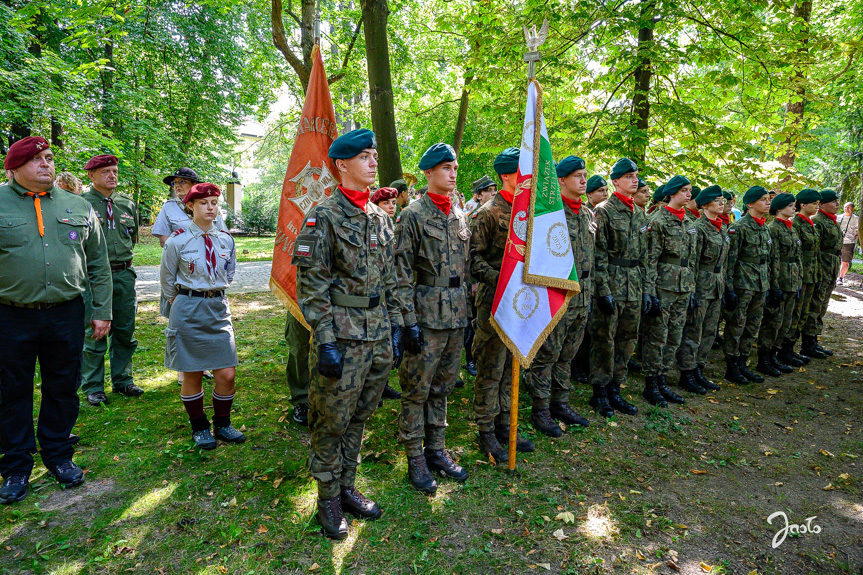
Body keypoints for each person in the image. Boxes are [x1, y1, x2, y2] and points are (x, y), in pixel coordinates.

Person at [291, 129, 403, 540]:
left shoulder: (380, 218)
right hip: (341, 335)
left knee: (360, 416)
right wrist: (326, 340)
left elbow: (389, 280)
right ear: (342, 164)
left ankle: (347, 486)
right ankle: (328, 499)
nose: (374, 163)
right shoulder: (324, 216)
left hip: (376, 336)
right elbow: (312, 285)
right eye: (365, 157)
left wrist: (392, 328)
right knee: (331, 420)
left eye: (375, 156)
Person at [0, 137, 112, 504]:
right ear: (14, 168)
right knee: (10, 391)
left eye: (48, 158)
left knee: (63, 387)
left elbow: (97, 264)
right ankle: (16, 465)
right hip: (10, 315)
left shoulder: (77, 205)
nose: (46, 165)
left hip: (66, 312)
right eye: (35, 160)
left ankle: (58, 455)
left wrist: (102, 312)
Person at [394, 143, 470, 494]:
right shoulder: (412, 215)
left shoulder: (458, 213)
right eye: (445, 168)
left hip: (455, 315)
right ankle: (415, 457)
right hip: (426, 316)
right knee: (416, 390)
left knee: (443, 387)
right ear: (428, 173)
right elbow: (402, 273)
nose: (453, 174)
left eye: (454, 168)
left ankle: (436, 450)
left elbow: (465, 268)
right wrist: (407, 322)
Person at [160, 183, 245, 449]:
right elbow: (167, 279)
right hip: (188, 309)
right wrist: (183, 300)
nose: (210, 208)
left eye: (214, 203)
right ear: (190, 206)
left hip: (218, 309)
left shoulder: (225, 239)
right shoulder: (177, 241)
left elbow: (228, 273)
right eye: (204, 203)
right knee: (192, 373)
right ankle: (200, 427)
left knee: (227, 374)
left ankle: (223, 424)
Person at [470, 147, 535, 462]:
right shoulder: (488, 212)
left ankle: (506, 424)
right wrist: (504, 278)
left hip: (522, 301)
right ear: (507, 175)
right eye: (523, 171)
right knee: (491, 367)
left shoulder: (531, 211)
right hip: (494, 300)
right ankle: (485, 431)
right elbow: (473, 261)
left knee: (513, 363)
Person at [525, 155, 593, 438]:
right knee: (548, 353)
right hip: (557, 293)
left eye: (585, 174)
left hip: (584, 294)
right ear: (561, 180)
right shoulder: (549, 214)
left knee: (568, 353)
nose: (583, 179)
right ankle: (540, 408)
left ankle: (560, 402)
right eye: (576, 175)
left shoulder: (588, 213)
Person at [588, 158, 650, 417]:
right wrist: (603, 290)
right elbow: (598, 254)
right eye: (628, 176)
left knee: (627, 339)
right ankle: (600, 392)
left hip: (634, 284)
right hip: (612, 281)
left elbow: (646, 256)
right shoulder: (603, 210)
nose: (634, 180)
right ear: (616, 182)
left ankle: (616, 388)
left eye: (636, 176)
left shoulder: (640, 213)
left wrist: (647, 289)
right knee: (604, 338)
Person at [80, 155, 144, 405]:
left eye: (115, 171)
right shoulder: (80, 203)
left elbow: (133, 237)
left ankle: (123, 380)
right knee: (95, 331)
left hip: (124, 274)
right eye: (105, 171)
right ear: (91, 176)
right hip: (94, 277)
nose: (112, 176)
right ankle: (93, 386)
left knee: (125, 330)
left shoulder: (126, 204)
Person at [641, 175, 697, 404]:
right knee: (657, 336)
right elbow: (650, 259)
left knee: (674, 335)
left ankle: (663, 378)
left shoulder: (690, 222)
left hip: (683, 287)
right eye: (684, 190)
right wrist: (650, 292)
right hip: (663, 286)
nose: (689, 195)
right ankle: (651, 384)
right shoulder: (658, 220)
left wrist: (691, 288)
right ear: (672, 193)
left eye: (690, 191)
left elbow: (692, 259)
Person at [675, 185, 727, 392]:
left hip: (716, 283)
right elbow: (692, 261)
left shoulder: (721, 227)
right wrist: (692, 289)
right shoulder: (698, 228)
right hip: (701, 283)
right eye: (717, 201)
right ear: (705, 205)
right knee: (694, 330)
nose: (721, 204)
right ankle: (687, 372)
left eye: (722, 200)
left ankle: (699, 369)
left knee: (709, 330)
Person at [722, 185, 772, 384]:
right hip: (742, 284)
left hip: (760, 283)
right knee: (736, 325)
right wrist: (730, 289)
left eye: (769, 199)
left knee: (753, 325)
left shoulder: (764, 227)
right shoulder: (739, 227)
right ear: (750, 204)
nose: (768, 202)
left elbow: (767, 259)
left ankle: (743, 363)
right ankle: (732, 365)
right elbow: (730, 261)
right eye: (763, 199)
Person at [755, 193, 801, 377]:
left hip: (791, 279)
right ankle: (764, 357)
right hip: (779, 279)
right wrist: (773, 285)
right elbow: (773, 260)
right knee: (772, 321)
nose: (794, 208)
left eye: (794, 205)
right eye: (790, 206)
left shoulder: (791, 228)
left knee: (786, 320)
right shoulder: (773, 229)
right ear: (780, 208)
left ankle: (775, 354)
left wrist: (798, 282)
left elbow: (797, 257)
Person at [463, 175, 497, 377]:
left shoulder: (498, 213)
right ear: (478, 196)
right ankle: (470, 360)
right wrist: (473, 283)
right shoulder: (472, 217)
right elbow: (470, 255)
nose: (493, 193)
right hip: (477, 283)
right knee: (473, 324)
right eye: (488, 190)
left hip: (492, 281)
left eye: (494, 189)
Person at [787, 189, 824, 360]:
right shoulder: (796, 225)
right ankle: (785, 349)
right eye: (815, 203)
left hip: (811, 275)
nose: (818, 206)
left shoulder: (810, 223)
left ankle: (795, 348)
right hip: (799, 276)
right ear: (803, 205)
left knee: (804, 313)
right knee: (795, 313)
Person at [152, 168, 227, 247]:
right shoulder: (168, 207)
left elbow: (224, 236)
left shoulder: (210, 205)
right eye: (174, 183)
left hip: (211, 254)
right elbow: (164, 241)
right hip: (183, 256)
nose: (177, 185)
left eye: (182, 181)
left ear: (195, 184)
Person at [808, 189, 842, 357]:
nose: (837, 204)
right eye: (833, 201)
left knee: (822, 305)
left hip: (832, 267)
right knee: (815, 305)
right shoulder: (817, 222)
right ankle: (808, 342)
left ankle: (814, 339)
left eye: (838, 201)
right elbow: (815, 250)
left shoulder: (833, 221)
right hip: (822, 269)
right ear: (821, 204)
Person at [837, 202, 858, 285]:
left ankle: (840, 278)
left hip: (849, 242)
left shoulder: (856, 219)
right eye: (845, 207)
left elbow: (859, 229)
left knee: (845, 261)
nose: (846, 209)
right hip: (837, 241)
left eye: (849, 207)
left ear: (853, 209)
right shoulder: (838, 217)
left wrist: (857, 235)